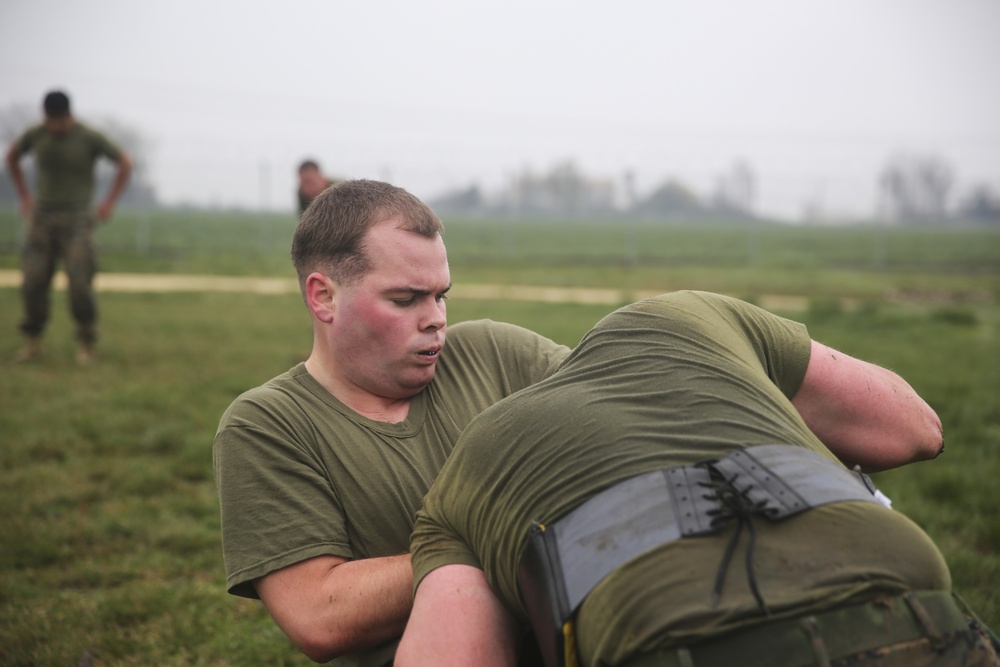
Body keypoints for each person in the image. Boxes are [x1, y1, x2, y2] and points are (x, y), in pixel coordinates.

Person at [397, 291, 999, 667]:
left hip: (675, 644)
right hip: (911, 601)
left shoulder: (461, 476)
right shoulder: (687, 316)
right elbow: (916, 429)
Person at [213, 179, 571, 666]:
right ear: (324, 297)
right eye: (406, 300)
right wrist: (512, 543)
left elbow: (612, 400)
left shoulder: (498, 356)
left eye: (441, 296)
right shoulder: (269, 425)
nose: (436, 319)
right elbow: (319, 614)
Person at [6, 90, 133, 364]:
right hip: (41, 217)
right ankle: (32, 341)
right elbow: (12, 158)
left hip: (77, 218)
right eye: (50, 121)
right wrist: (25, 196)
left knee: (79, 283)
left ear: (69, 116)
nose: (54, 127)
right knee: (33, 281)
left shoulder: (88, 137)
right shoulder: (36, 135)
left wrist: (109, 202)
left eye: (59, 121)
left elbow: (124, 162)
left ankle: (86, 343)